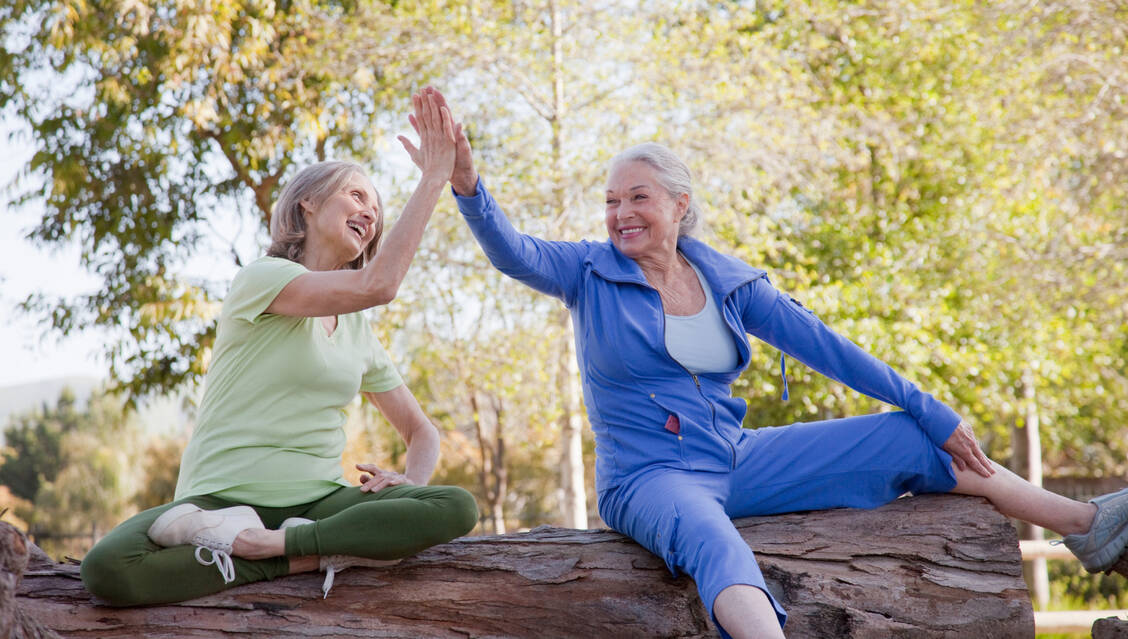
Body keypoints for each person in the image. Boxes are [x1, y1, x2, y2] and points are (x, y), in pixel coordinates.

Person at [440, 106, 1128, 637]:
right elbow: (511, 250)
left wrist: (931, 408)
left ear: (680, 205)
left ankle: (1090, 525)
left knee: (912, 440)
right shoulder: (585, 270)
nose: (620, 213)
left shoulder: (729, 282)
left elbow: (830, 348)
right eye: (612, 200)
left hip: (733, 458)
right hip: (647, 477)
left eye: (638, 197)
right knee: (717, 542)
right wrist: (469, 183)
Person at [80, 87, 478, 605]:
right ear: (307, 204)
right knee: (108, 569)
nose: (370, 213)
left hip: (316, 504)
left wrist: (407, 480)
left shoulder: (358, 330)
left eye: (376, 209)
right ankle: (294, 555)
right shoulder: (264, 279)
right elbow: (379, 285)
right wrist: (433, 176)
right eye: (356, 195)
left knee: (455, 506)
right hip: (215, 502)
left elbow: (421, 432)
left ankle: (280, 548)